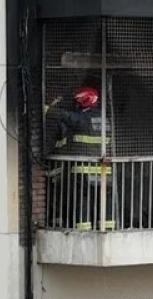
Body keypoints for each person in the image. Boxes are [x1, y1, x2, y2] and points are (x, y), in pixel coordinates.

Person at [45, 85, 115, 230]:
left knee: (82, 201)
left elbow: (67, 117)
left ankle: (83, 230)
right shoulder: (105, 120)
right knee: (104, 201)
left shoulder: (83, 119)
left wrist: (48, 110)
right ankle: (108, 228)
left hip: (83, 170)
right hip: (103, 171)